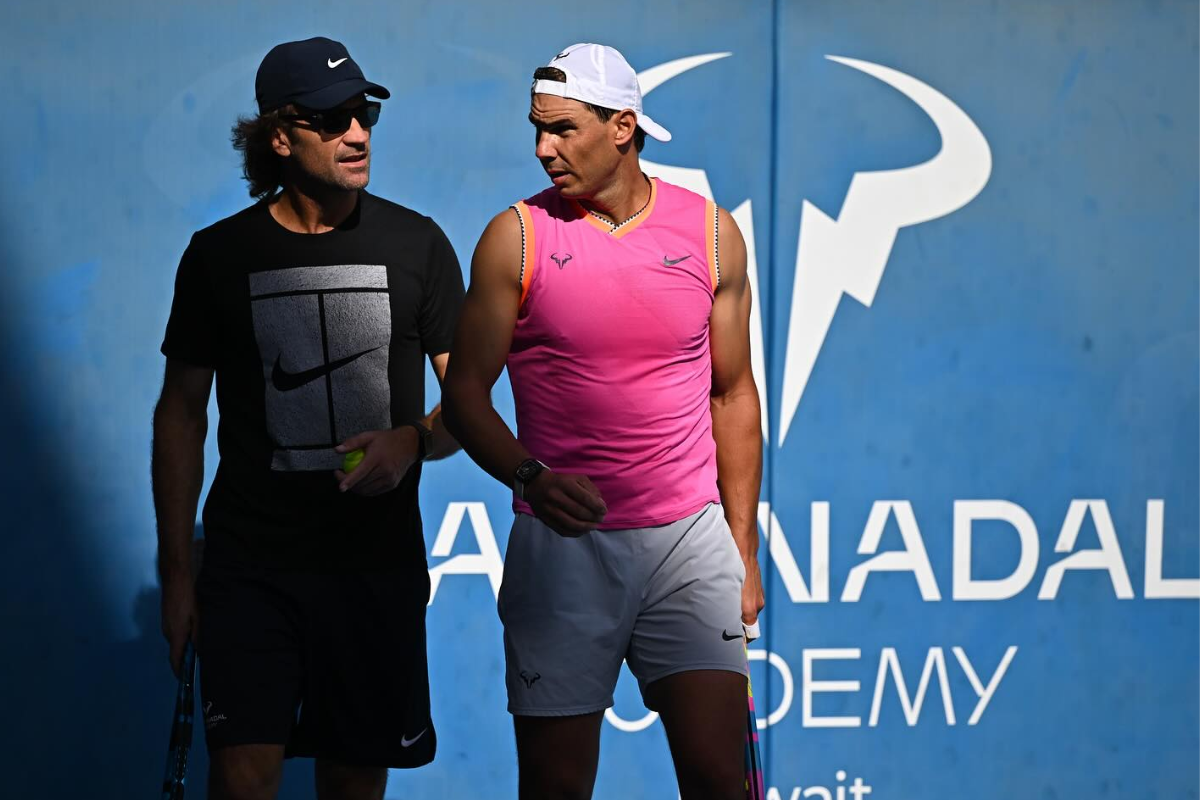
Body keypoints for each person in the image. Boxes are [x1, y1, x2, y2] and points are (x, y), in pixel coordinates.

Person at [442, 42, 764, 800]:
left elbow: (733, 394)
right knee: (556, 789)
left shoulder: (713, 233)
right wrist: (531, 477)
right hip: (561, 550)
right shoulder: (514, 237)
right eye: (536, 128)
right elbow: (466, 397)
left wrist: (741, 546)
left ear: (622, 127)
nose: (541, 148)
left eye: (561, 130)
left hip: (688, 542)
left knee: (722, 779)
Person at [152, 36, 464, 800]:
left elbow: (467, 410)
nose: (356, 133)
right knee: (244, 778)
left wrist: (413, 440)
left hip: (373, 570)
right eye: (331, 119)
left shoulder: (418, 244)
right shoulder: (218, 256)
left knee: (354, 782)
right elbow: (180, 419)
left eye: (364, 114)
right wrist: (177, 574)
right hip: (250, 569)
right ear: (280, 137)